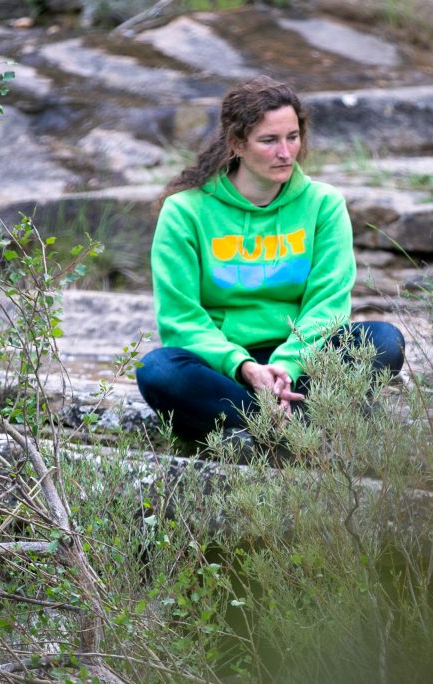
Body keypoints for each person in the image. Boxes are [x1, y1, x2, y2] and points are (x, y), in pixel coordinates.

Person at [135, 76, 405, 441]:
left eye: (292, 137)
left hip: (304, 360)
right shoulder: (185, 211)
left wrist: (286, 364)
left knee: (385, 341)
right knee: (157, 370)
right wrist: (243, 366)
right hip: (222, 369)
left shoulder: (323, 204)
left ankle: (252, 424)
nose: (285, 152)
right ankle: (298, 420)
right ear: (236, 143)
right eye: (269, 140)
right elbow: (180, 319)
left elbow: (328, 304)